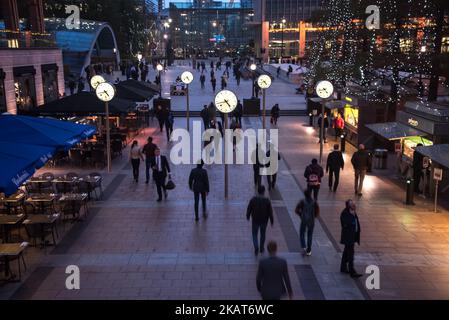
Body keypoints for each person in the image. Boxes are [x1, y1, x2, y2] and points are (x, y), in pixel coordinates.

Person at [247, 185, 274, 256]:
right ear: (264, 191)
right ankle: (261, 248)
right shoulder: (267, 200)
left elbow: (249, 208)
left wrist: (248, 215)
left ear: (258, 191)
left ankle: (256, 247)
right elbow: (270, 211)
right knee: (263, 234)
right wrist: (271, 220)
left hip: (255, 219)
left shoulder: (253, 199)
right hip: (264, 220)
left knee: (254, 234)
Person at [340, 199, 362, 278]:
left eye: (354, 204)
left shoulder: (353, 212)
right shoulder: (345, 213)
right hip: (348, 237)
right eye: (352, 205)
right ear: (349, 206)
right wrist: (352, 216)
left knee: (346, 252)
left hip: (352, 237)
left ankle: (343, 268)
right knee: (350, 254)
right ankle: (352, 271)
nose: (354, 205)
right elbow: (346, 224)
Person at [295, 189, 319, 256]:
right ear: (310, 194)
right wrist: (314, 216)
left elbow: (296, 210)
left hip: (304, 220)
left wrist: (301, 215)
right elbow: (317, 211)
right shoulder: (314, 202)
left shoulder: (302, 201)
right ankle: (309, 250)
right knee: (310, 234)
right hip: (311, 220)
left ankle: (303, 247)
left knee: (302, 233)